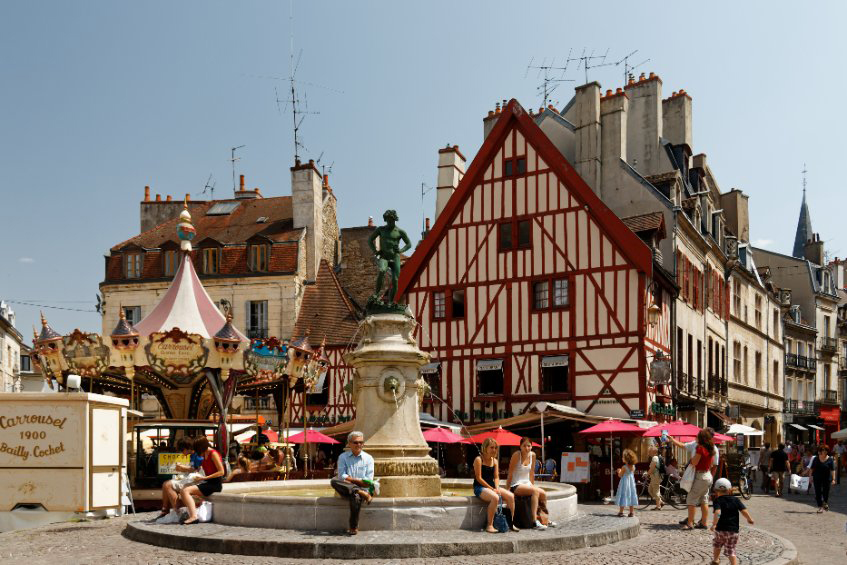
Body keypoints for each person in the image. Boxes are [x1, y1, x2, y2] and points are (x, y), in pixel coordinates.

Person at [330, 431, 375, 535]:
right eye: (355, 442)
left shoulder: (368, 458)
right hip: (347, 488)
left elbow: (368, 481)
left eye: (361, 442)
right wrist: (358, 483)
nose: (359, 445)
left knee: (355, 496)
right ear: (349, 443)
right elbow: (341, 476)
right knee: (334, 480)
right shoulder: (343, 457)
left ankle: (353, 527)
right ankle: (359, 491)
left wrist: (350, 479)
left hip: (361, 488)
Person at [473, 437, 518, 533]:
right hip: (480, 487)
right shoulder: (478, 459)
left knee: (511, 496)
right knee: (495, 498)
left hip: (492, 487)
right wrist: (492, 489)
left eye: (495, 448)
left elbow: (496, 477)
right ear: (485, 448)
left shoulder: (495, 461)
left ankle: (511, 523)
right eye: (491, 447)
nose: (494, 450)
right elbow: (478, 478)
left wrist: (497, 488)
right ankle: (489, 525)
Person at [675, 429, 716, 530]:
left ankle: (690, 524)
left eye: (697, 436)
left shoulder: (700, 448)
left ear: (701, 438)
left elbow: (694, 462)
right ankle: (704, 523)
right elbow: (711, 464)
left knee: (691, 499)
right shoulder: (711, 449)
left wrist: (692, 458)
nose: (696, 437)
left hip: (700, 476)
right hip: (707, 475)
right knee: (704, 500)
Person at [179, 436, 225, 525]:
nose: (196, 452)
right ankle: (191, 514)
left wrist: (204, 478)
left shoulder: (213, 453)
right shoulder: (204, 454)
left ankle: (193, 517)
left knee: (185, 491)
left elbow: (221, 472)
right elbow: (199, 468)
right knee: (184, 489)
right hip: (208, 482)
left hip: (215, 484)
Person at [710, 477, 755, 565]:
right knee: (731, 549)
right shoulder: (736, 500)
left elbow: (718, 512)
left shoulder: (717, 501)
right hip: (733, 530)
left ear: (716, 490)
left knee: (717, 544)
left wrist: (714, 524)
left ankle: (715, 560)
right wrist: (749, 519)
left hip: (720, 530)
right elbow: (743, 510)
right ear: (730, 490)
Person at [507, 437, 547, 529]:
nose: (526, 448)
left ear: (531, 447)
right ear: (520, 446)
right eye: (524, 446)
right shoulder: (517, 455)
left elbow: (532, 473)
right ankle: (534, 522)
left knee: (543, 493)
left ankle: (544, 520)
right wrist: (508, 489)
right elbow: (510, 473)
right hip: (516, 485)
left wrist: (532, 485)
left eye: (528, 446)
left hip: (527, 484)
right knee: (535, 492)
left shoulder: (533, 455)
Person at [155, 438, 195, 519]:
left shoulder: (195, 456)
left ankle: (178, 512)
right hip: (190, 478)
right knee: (165, 484)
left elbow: (195, 469)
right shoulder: (191, 455)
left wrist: (183, 468)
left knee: (167, 485)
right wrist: (181, 468)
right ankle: (166, 509)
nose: (182, 453)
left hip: (194, 480)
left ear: (186, 449)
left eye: (182, 450)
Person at [805, 445, 836, 513]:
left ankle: (825, 503)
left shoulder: (830, 459)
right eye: (823, 450)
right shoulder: (816, 459)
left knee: (826, 492)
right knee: (818, 493)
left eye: (826, 450)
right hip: (817, 478)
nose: (824, 451)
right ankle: (820, 507)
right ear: (820, 451)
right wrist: (810, 477)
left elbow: (833, 470)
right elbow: (812, 468)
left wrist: (833, 479)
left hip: (827, 479)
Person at [615, 449, 638, 518]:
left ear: (626, 459)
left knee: (623, 495)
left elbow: (620, 475)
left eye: (623, 457)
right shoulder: (633, 467)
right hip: (631, 484)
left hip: (625, 484)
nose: (622, 458)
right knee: (631, 495)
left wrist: (619, 471)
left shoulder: (624, 467)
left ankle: (621, 512)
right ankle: (631, 512)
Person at [647, 445, 664, 510]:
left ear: (653, 452)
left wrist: (647, 474)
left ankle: (658, 506)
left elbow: (652, 468)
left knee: (656, 491)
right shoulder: (655, 458)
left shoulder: (654, 458)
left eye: (649, 451)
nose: (648, 453)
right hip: (654, 477)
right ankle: (661, 502)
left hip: (655, 477)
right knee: (650, 490)